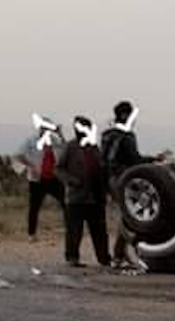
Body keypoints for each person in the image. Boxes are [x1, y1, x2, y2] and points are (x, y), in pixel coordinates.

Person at [55, 116, 112, 269]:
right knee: (74, 230)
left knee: (99, 230)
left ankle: (104, 258)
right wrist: (71, 181)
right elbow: (59, 169)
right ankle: (72, 257)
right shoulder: (70, 147)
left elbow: (102, 169)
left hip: (95, 196)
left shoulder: (94, 148)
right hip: (76, 197)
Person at [101, 100, 147, 269]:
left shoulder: (107, 134)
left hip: (110, 180)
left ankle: (120, 255)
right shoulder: (127, 136)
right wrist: (152, 160)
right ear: (124, 115)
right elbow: (134, 159)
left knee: (127, 217)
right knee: (131, 218)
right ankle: (121, 255)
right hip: (124, 178)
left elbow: (103, 160)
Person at [18, 117, 66, 242]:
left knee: (66, 202)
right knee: (34, 206)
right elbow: (19, 155)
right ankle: (31, 234)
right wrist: (32, 166)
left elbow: (66, 150)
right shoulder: (31, 140)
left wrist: (60, 134)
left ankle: (69, 229)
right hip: (37, 179)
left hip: (53, 177)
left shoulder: (54, 140)